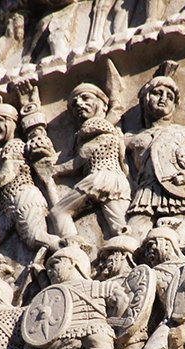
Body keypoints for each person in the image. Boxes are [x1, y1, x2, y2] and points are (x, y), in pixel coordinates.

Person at [126, 69, 185, 244]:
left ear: (174, 105)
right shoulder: (133, 139)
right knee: (134, 238)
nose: (163, 98)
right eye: (157, 93)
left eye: (170, 96)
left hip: (178, 191)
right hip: (146, 192)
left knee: (180, 242)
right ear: (145, 99)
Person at [46, 83, 132, 240]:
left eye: (85, 98)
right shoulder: (113, 130)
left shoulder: (91, 128)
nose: (79, 104)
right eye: (74, 103)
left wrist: (55, 170)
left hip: (98, 179)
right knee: (120, 229)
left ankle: (73, 246)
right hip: (118, 182)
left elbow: (80, 159)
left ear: (100, 103)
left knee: (59, 212)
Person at [0, 102, 60, 256]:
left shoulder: (16, 145)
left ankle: (68, 251)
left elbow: (7, 174)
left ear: (11, 122)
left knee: (35, 238)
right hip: (5, 209)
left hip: (24, 197)